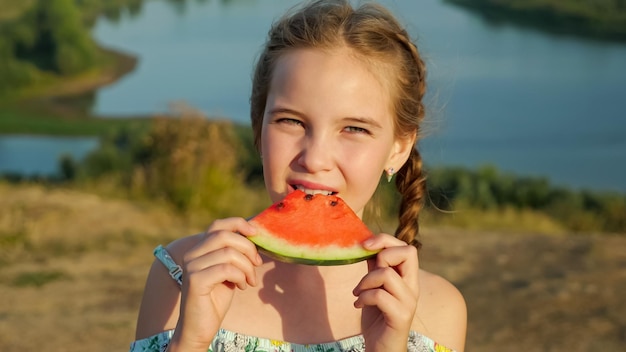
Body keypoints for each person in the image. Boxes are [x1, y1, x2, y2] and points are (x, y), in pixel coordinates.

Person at [130, 0, 467, 351]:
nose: (315, 159)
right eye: (291, 121)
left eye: (354, 128)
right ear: (258, 129)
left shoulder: (438, 310)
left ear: (398, 148)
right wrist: (191, 341)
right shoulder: (183, 273)